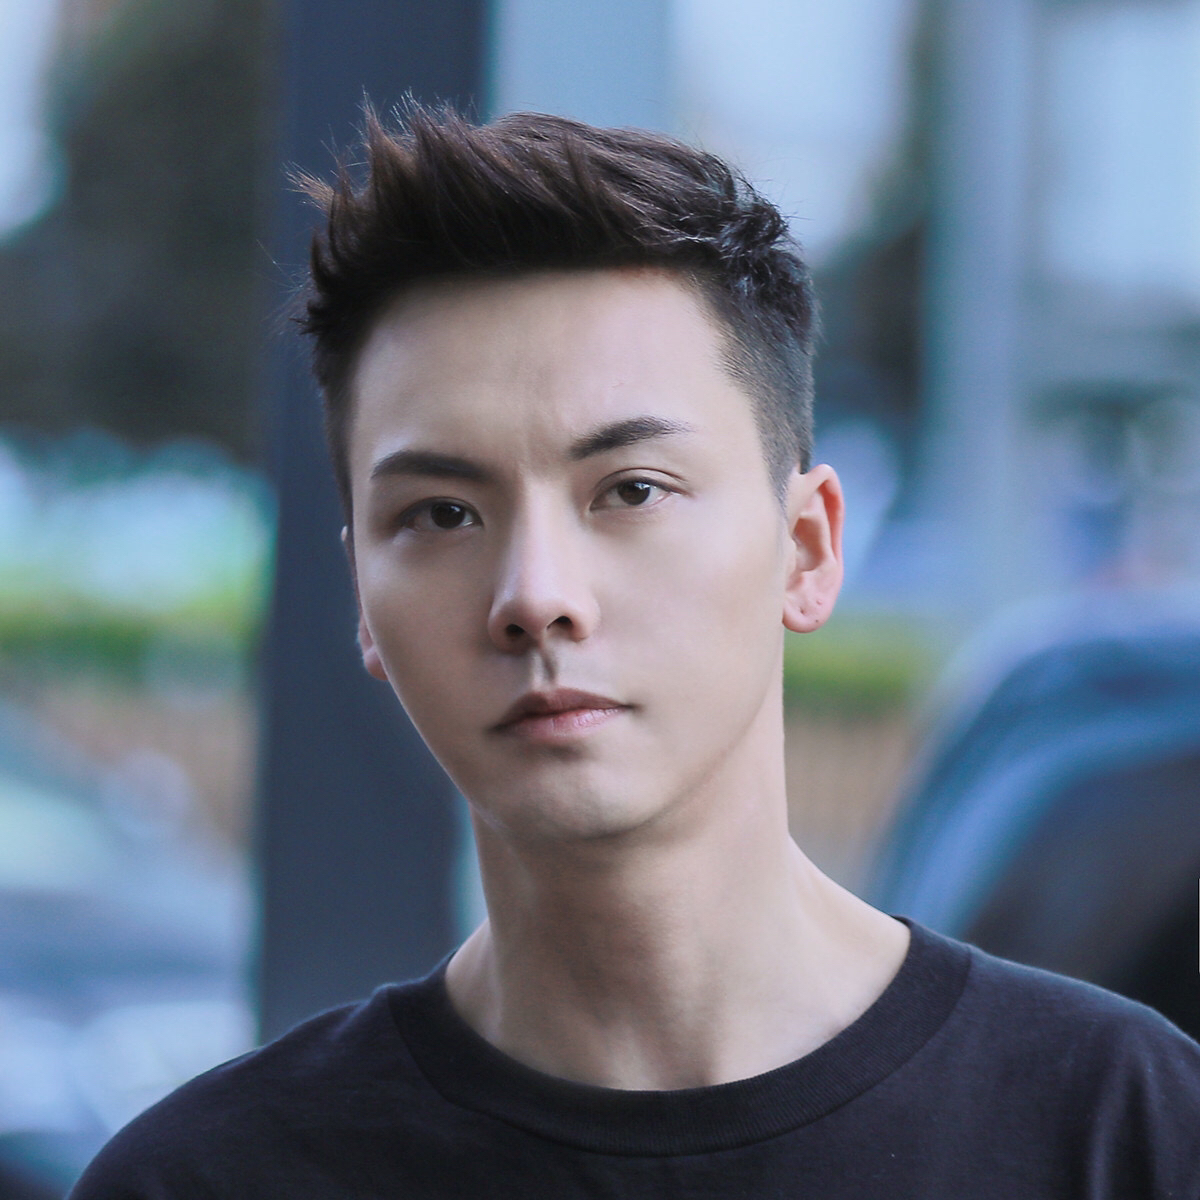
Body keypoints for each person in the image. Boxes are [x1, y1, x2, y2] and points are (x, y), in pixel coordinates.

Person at [71, 104, 1200, 1199]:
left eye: (632, 490)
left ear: (807, 549)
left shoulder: (1123, 1127)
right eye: (442, 514)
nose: (535, 597)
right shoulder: (208, 1178)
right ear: (363, 594)